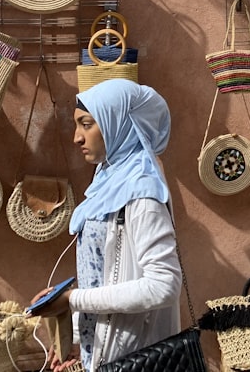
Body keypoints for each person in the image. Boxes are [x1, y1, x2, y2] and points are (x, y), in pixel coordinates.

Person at [28, 78, 182, 372]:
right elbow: (99, 274)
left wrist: (72, 299)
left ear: (116, 124)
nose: (77, 137)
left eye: (87, 124)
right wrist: (75, 338)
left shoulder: (141, 191)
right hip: (104, 355)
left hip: (138, 357)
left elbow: (165, 285)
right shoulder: (107, 182)